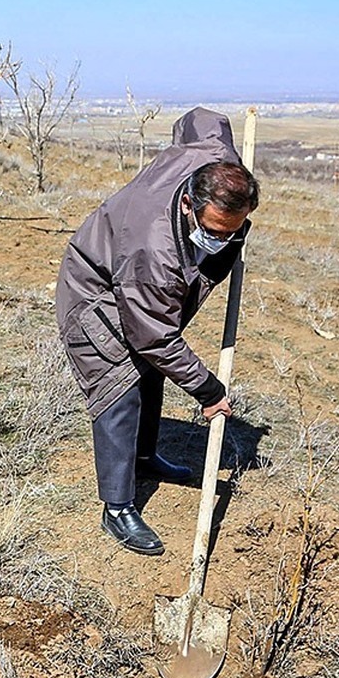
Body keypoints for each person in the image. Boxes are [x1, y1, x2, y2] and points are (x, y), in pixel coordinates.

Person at [55, 107, 259, 556]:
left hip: (134, 283)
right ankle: (117, 506)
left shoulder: (216, 162)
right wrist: (208, 390)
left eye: (233, 233)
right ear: (188, 202)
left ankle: (145, 458)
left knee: (150, 373)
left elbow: (201, 121)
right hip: (97, 290)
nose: (221, 242)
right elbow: (155, 336)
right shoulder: (155, 250)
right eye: (213, 233)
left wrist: (230, 237)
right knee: (119, 387)